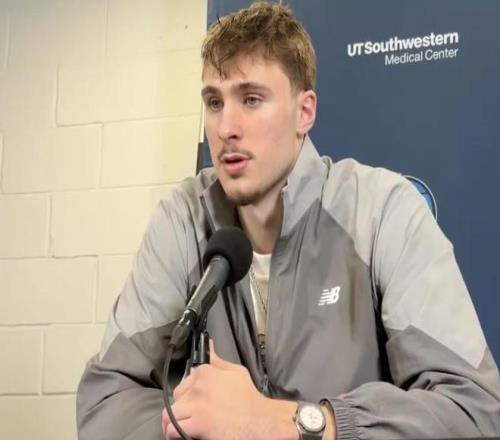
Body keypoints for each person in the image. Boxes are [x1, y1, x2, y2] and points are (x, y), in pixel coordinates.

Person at [76, 2, 500, 439]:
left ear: (304, 112)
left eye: (251, 99)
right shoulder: (183, 218)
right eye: (215, 102)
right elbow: (107, 397)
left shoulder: (381, 211)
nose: (226, 128)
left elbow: (472, 410)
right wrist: (194, 426)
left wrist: (289, 424)